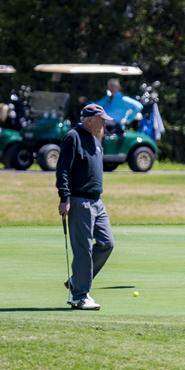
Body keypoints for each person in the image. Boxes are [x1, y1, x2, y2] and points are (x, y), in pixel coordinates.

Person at [56, 103, 115, 310]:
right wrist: (64, 198)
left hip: (97, 202)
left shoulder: (95, 139)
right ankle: (80, 296)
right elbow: (63, 169)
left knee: (107, 243)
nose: (104, 124)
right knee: (83, 250)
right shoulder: (73, 137)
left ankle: (77, 280)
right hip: (79, 201)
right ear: (89, 120)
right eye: (101, 120)